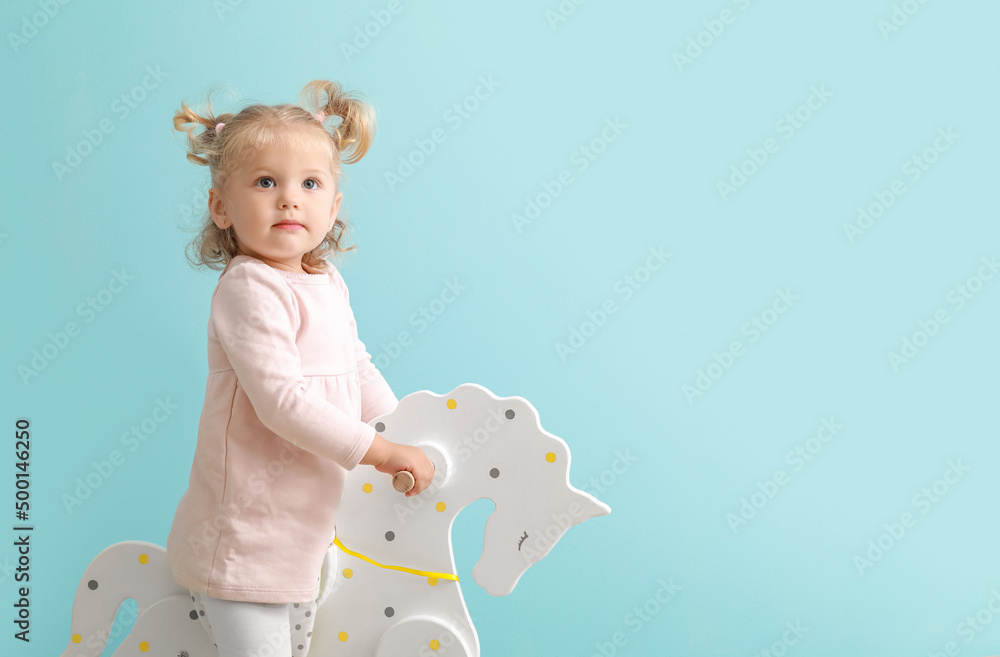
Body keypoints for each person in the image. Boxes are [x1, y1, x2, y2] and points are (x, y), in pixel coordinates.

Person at [164, 79, 434, 657]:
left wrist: (403, 430)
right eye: (266, 182)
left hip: (310, 531)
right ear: (221, 206)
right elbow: (282, 403)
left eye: (309, 184)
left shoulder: (325, 282)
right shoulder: (249, 286)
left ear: (332, 206)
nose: (289, 198)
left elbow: (355, 368)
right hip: (248, 539)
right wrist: (382, 453)